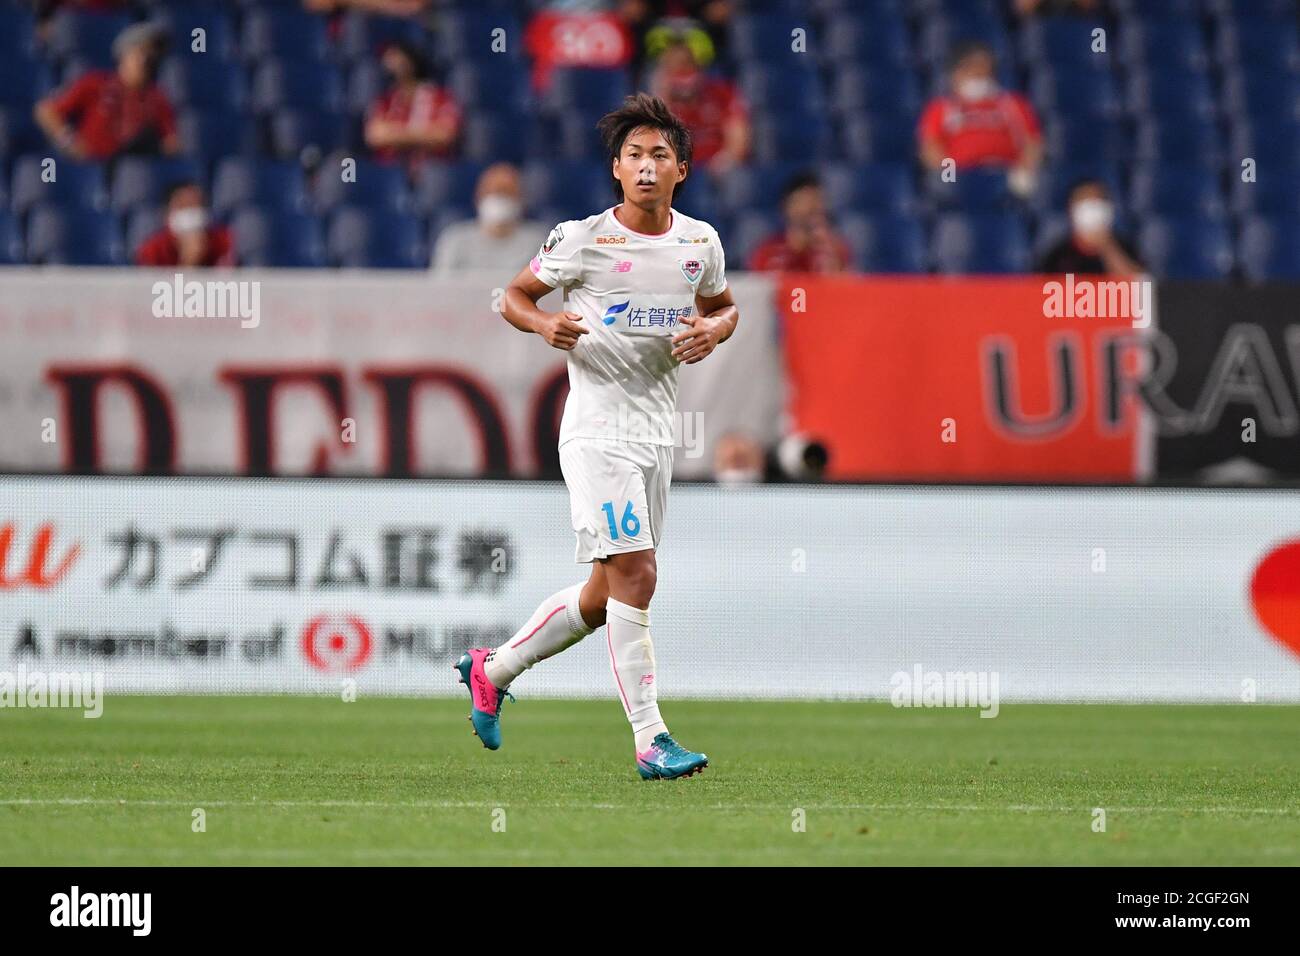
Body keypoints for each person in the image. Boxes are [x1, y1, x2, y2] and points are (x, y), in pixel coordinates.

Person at [458, 93, 739, 781]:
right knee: (638, 573)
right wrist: (541, 324)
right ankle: (651, 739)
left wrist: (713, 330)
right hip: (596, 432)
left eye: (661, 156)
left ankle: (492, 669)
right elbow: (514, 297)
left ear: (682, 170)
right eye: (635, 155)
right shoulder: (581, 238)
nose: (647, 167)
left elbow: (725, 308)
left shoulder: (699, 244)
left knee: (601, 591)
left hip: (656, 435)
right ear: (617, 169)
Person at [35, 22, 178, 161]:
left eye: (153, 55)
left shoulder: (158, 97)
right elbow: (46, 111)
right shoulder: (96, 83)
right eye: (142, 53)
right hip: (91, 167)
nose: (148, 61)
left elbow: (171, 142)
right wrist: (69, 141)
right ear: (124, 55)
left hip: (131, 174)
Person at [917, 40, 1043, 197]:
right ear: (957, 73)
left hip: (1006, 177)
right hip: (961, 176)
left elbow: (1032, 143)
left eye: (985, 69)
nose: (980, 74)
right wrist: (949, 175)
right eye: (972, 68)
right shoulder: (941, 108)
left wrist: (1024, 170)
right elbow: (931, 148)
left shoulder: (1013, 104)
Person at [650, 37, 749, 175]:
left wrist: (723, 163)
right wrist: (664, 97)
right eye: (673, 66)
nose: (681, 71)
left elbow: (739, 141)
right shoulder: (656, 103)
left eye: (686, 63)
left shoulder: (722, 93)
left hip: (717, 168)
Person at [430, 163, 548, 272]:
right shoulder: (455, 240)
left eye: (506, 192)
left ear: (522, 199)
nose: (498, 198)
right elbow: (440, 289)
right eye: (491, 191)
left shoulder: (539, 242)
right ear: (478, 198)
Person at [364, 40, 460, 168]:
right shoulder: (384, 101)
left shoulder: (440, 97)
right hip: (391, 169)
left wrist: (395, 135)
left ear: (411, 61)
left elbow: (445, 135)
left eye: (395, 58)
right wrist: (423, 134)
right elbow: (375, 136)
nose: (389, 65)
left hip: (432, 170)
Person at [747, 172, 853, 272]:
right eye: (804, 201)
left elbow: (849, 287)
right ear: (787, 207)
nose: (812, 207)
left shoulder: (835, 250)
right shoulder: (767, 252)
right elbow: (755, 286)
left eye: (816, 200)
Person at [1037, 179, 1143, 275]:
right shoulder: (1056, 257)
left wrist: (1107, 247)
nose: (1094, 211)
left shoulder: (1126, 248)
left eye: (1099, 202)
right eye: (1087, 203)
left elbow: (1142, 289)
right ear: (1072, 210)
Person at [135, 180, 234, 267]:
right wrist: (188, 263)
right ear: (167, 213)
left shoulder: (223, 242)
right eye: (183, 206)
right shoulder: (153, 249)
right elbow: (149, 286)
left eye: (196, 205)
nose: (190, 213)